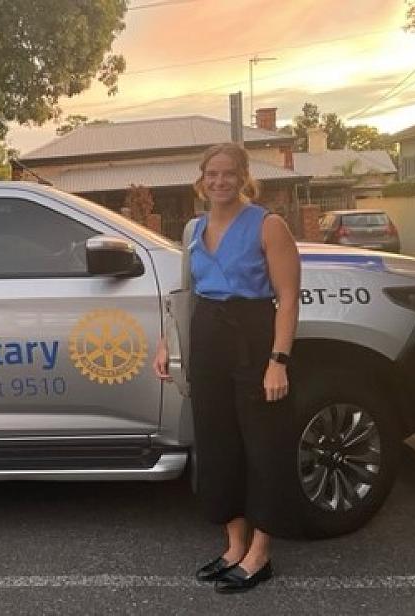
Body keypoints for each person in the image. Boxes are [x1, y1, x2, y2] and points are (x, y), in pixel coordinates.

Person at [153, 143, 301, 594]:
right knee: (217, 445)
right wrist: (167, 342)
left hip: (253, 337)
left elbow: (288, 298)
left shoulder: (268, 225)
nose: (220, 181)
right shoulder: (194, 228)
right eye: (211, 174)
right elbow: (186, 293)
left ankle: (260, 553)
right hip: (208, 338)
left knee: (262, 445)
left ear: (243, 177)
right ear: (201, 179)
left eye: (228, 173)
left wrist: (278, 361)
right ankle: (234, 546)